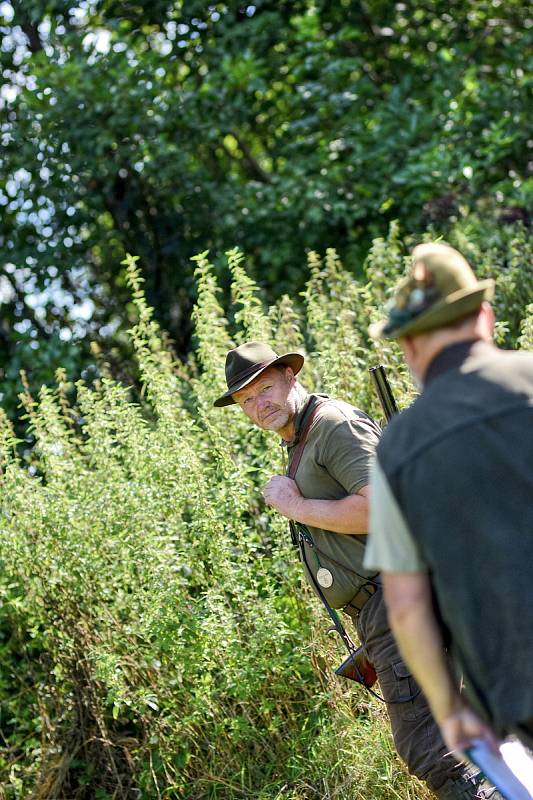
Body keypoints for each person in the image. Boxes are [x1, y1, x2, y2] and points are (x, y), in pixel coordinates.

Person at [214, 340, 500, 799]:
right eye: (247, 399)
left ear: (290, 376)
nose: (258, 404)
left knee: (431, 749)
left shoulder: (330, 425)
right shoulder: (304, 438)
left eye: (265, 388)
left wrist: (297, 506)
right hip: (387, 603)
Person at [365, 241, 533, 759]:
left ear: (409, 347)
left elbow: (407, 604)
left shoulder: (397, 450)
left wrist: (448, 709)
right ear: (484, 315)